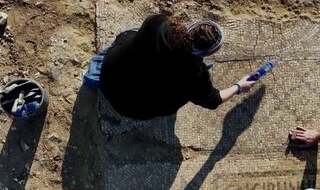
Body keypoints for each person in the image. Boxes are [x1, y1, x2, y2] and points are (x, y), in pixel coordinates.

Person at [95, 14, 257, 120]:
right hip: (131, 109)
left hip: (109, 76)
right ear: (206, 53)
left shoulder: (158, 25)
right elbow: (213, 101)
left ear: (192, 28)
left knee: (133, 34)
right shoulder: (195, 74)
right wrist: (239, 87)